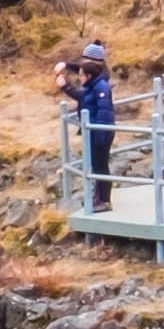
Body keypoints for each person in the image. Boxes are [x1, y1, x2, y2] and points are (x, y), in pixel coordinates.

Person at [56, 39, 117, 210]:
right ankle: (98, 198)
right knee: (97, 165)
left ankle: (104, 201)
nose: (80, 70)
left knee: (101, 165)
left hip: (99, 131)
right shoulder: (95, 80)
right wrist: (66, 67)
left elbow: (103, 113)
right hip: (94, 130)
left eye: (85, 61)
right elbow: (83, 76)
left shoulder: (100, 85)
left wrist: (99, 135)